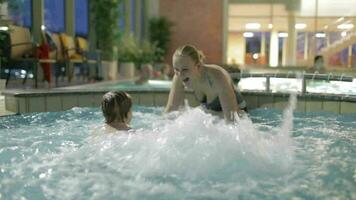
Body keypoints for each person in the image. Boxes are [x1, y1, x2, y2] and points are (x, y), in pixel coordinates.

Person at [165, 45, 247, 121]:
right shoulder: (179, 75)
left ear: (198, 66)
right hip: (214, 118)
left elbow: (233, 120)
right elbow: (171, 110)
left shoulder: (218, 77)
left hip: (240, 116)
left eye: (185, 69)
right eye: (176, 69)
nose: (180, 74)